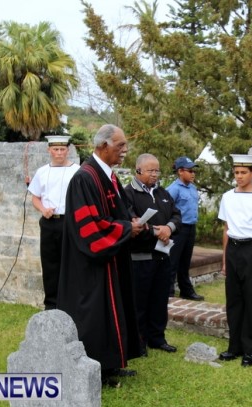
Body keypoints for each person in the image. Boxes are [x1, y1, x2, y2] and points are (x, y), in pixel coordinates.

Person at [57, 124, 145, 387]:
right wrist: (128, 228)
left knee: (112, 312)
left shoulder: (109, 176)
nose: (125, 150)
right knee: (95, 317)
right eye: (120, 146)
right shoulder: (85, 178)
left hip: (110, 257)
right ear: (104, 145)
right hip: (90, 264)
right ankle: (95, 369)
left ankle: (111, 363)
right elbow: (90, 227)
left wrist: (132, 221)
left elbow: (118, 211)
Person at [217, 154, 252, 367]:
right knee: (233, 299)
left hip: (251, 249)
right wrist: (224, 259)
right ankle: (235, 346)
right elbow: (226, 229)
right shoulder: (227, 196)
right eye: (236, 172)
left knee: (251, 298)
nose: (239, 176)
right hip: (233, 249)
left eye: (243, 173)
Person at [125, 153, 181, 355]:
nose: (155, 174)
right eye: (151, 170)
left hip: (162, 257)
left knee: (159, 301)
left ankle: (157, 338)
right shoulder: (128, 194)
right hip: (140, 260)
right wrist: (157, 232)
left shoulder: (163, 193)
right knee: (139, 303)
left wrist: (169, 227)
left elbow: (176, 215)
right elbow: (131, 221)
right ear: (138, 170)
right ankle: (139, 342)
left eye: (157, 170)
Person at [27, 136, 80, 310]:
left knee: (71, 263)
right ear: (49, 150)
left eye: (62, 149)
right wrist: (43, 209)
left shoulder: (77, 171)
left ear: (68, 150)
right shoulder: (42, 171)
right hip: (50, 222)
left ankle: (71, 302)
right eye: (55, 149)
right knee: (50, 263)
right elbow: (35, 197)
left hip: (69, 222)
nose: (59, 153)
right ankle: (51, 305)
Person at [166, 156, 204, 301]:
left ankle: (186, 291)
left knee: (185, 262)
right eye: (190, 170)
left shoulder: (193, 188)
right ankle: (168, 292)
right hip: (178, 230)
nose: (193, 173)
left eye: (194, 171)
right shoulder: (173, 189)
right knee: (173, 261)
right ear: (180, 171)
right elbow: (167, 210)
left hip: (190, 228)